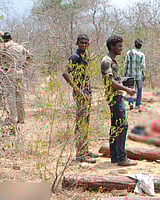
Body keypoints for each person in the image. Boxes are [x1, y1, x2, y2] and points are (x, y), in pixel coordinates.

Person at [62, 34, 100, 163]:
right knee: (81, 123)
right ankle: (80, 154)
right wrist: (78, 90)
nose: (83, 45)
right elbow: (65, 73)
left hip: (87, 92)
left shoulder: (85, 56)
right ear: (77, 43)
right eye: (81, 43)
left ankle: (85, 150)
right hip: (81, 93)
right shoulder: (75, 57)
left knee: (85, 122)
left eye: (86, 43)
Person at [101, 35, 138, 166]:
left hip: (116, 96)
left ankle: (115, 156)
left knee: (116, 126)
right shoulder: (107, 61)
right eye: (119, 46)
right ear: (112, 46)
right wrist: (127, 90)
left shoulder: (112, 61)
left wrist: (123, 82)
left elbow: (114, 80)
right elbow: (110, 82)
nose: (121, 48)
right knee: (122, 126)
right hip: (115, 97)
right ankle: (121, 158)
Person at [0, 31, 32, 124]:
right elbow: (30, 56)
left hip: (9, 73)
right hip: (19, 72)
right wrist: (23, 66)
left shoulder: (4, 48)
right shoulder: (20, 47)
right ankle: (21, 118)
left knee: (11, 96)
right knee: (20, 96)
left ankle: (12, 118)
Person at [123, 38, 146, 111]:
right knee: (139, 89)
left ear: (134, 44)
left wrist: (125, 73)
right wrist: (143, 73)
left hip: (130, 74)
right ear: (141, 46)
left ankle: (130, 102)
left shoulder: (129, 53)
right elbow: (143, 66)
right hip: (139, 75)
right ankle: (137, 105)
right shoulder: (142, 55)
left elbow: (126, 64)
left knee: (130, 89)